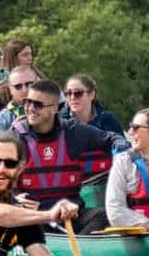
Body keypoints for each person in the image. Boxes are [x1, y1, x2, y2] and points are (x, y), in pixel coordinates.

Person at [11, 80, 129, 234]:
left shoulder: (72, 131)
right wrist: (15, 199)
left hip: (71, 214)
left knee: (105, 216)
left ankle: (79, 249)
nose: (30, 109)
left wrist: (120, 151)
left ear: (54, 108)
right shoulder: (14, 137)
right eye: (28, 102)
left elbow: (112, 138)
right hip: (34, 217)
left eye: (38, 105)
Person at [59, 74, 124, 179]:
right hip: (68, 182)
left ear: (92, 95)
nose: (72, 97)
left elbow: (122, 153)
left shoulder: (108, 120)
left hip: (104, 182)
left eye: (78, 93)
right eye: (68, 93)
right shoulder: (58, 121)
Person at [0, 40, 44, 118]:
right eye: (25, 55)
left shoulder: (36, 77)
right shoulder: (0, 79)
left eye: (30, 54)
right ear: (13, 58)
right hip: (6, 124)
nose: (30, 58)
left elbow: (58, 100)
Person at [0, 66, 38, 131]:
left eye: (29, 84)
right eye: (18, 86)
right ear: (11, 90)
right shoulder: (2, 119)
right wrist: (14, 130)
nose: (24, 90)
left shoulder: (50, 111)